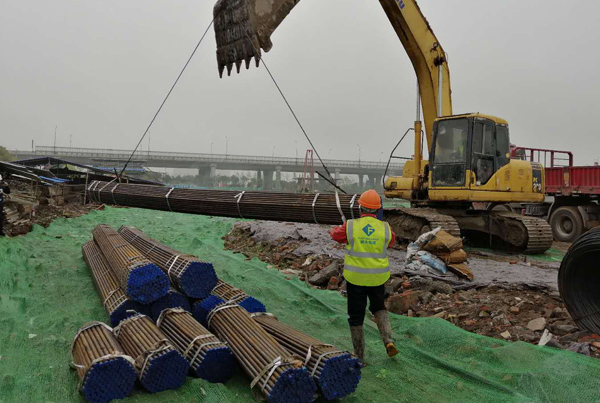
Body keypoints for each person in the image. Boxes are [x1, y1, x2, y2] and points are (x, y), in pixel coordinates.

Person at [329, 189, 398, 363]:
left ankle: (359, 357)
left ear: (360, 208)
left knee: (356, 315)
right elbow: (392, 241)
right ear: (378, 209)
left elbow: (336, 236)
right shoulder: (385, 228)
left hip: (356, 279)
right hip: (377, 278)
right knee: (378, 307)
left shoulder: (351, 226)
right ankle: (388, 340)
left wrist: (334, 230)